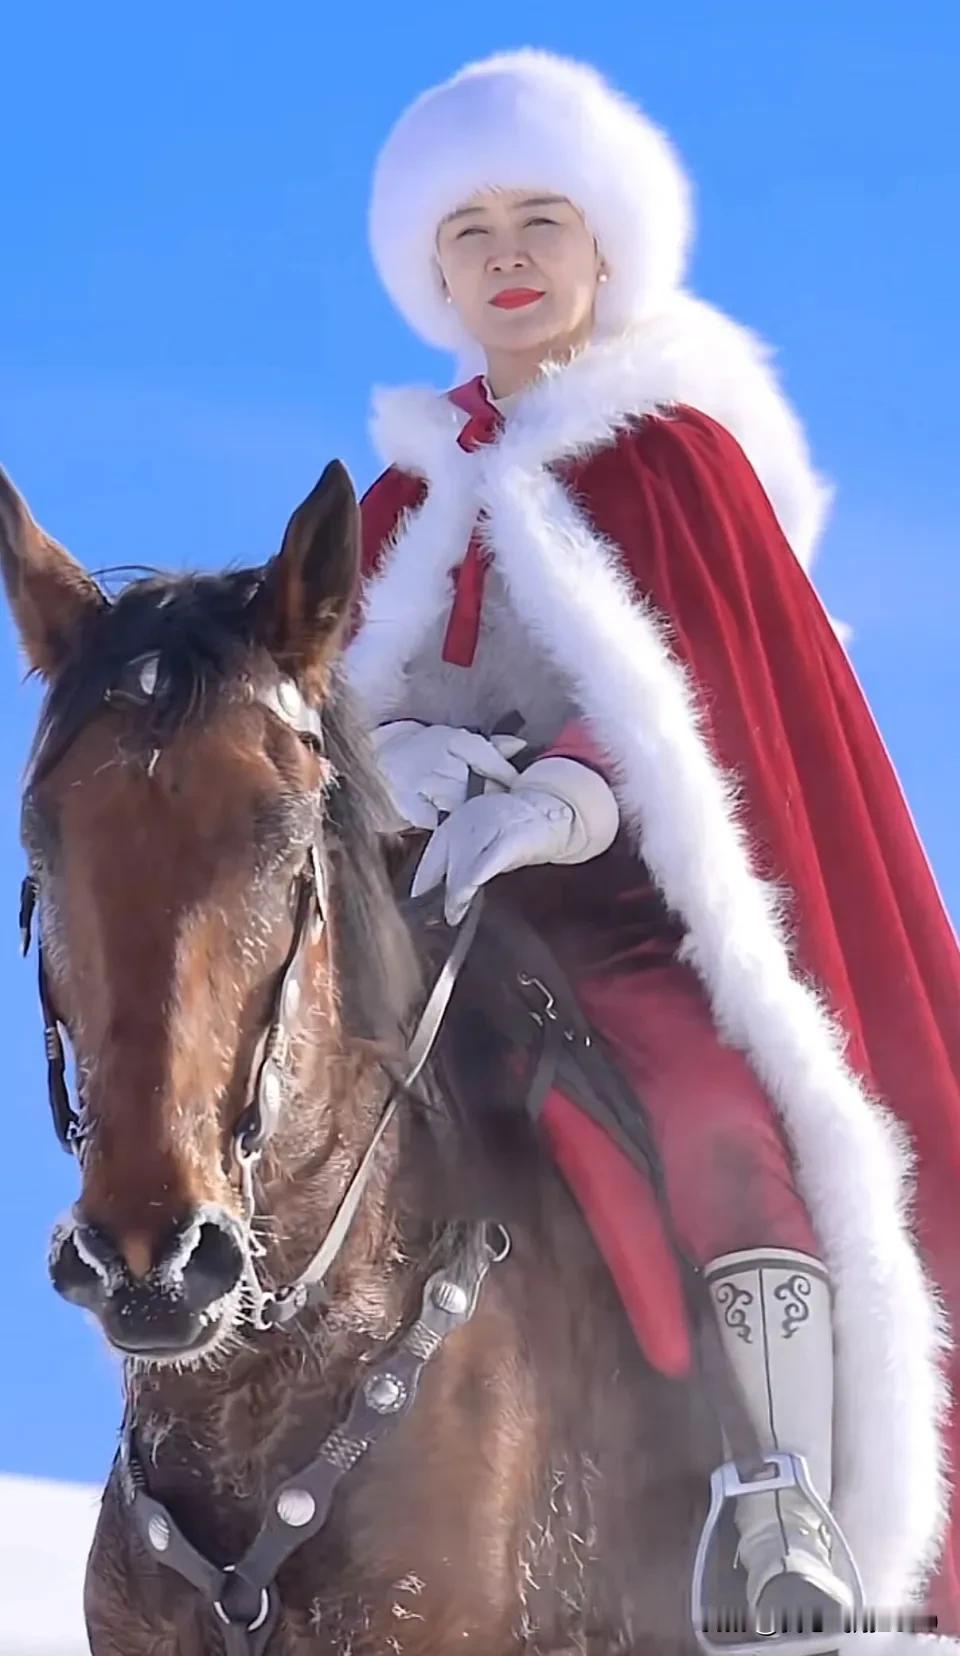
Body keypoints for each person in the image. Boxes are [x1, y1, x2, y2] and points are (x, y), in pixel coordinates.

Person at [346, 49, 960, 1636]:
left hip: (632, 919)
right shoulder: (401, 493)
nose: (503, 255)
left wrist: (557, 796)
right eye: (467, 228)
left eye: (537, 217)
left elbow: (709, 701)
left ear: (605, 244)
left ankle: (776, 1504)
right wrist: (391, 752)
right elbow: (333, 699)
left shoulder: (673, 454)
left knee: (709, 1110)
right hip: (426, 918)